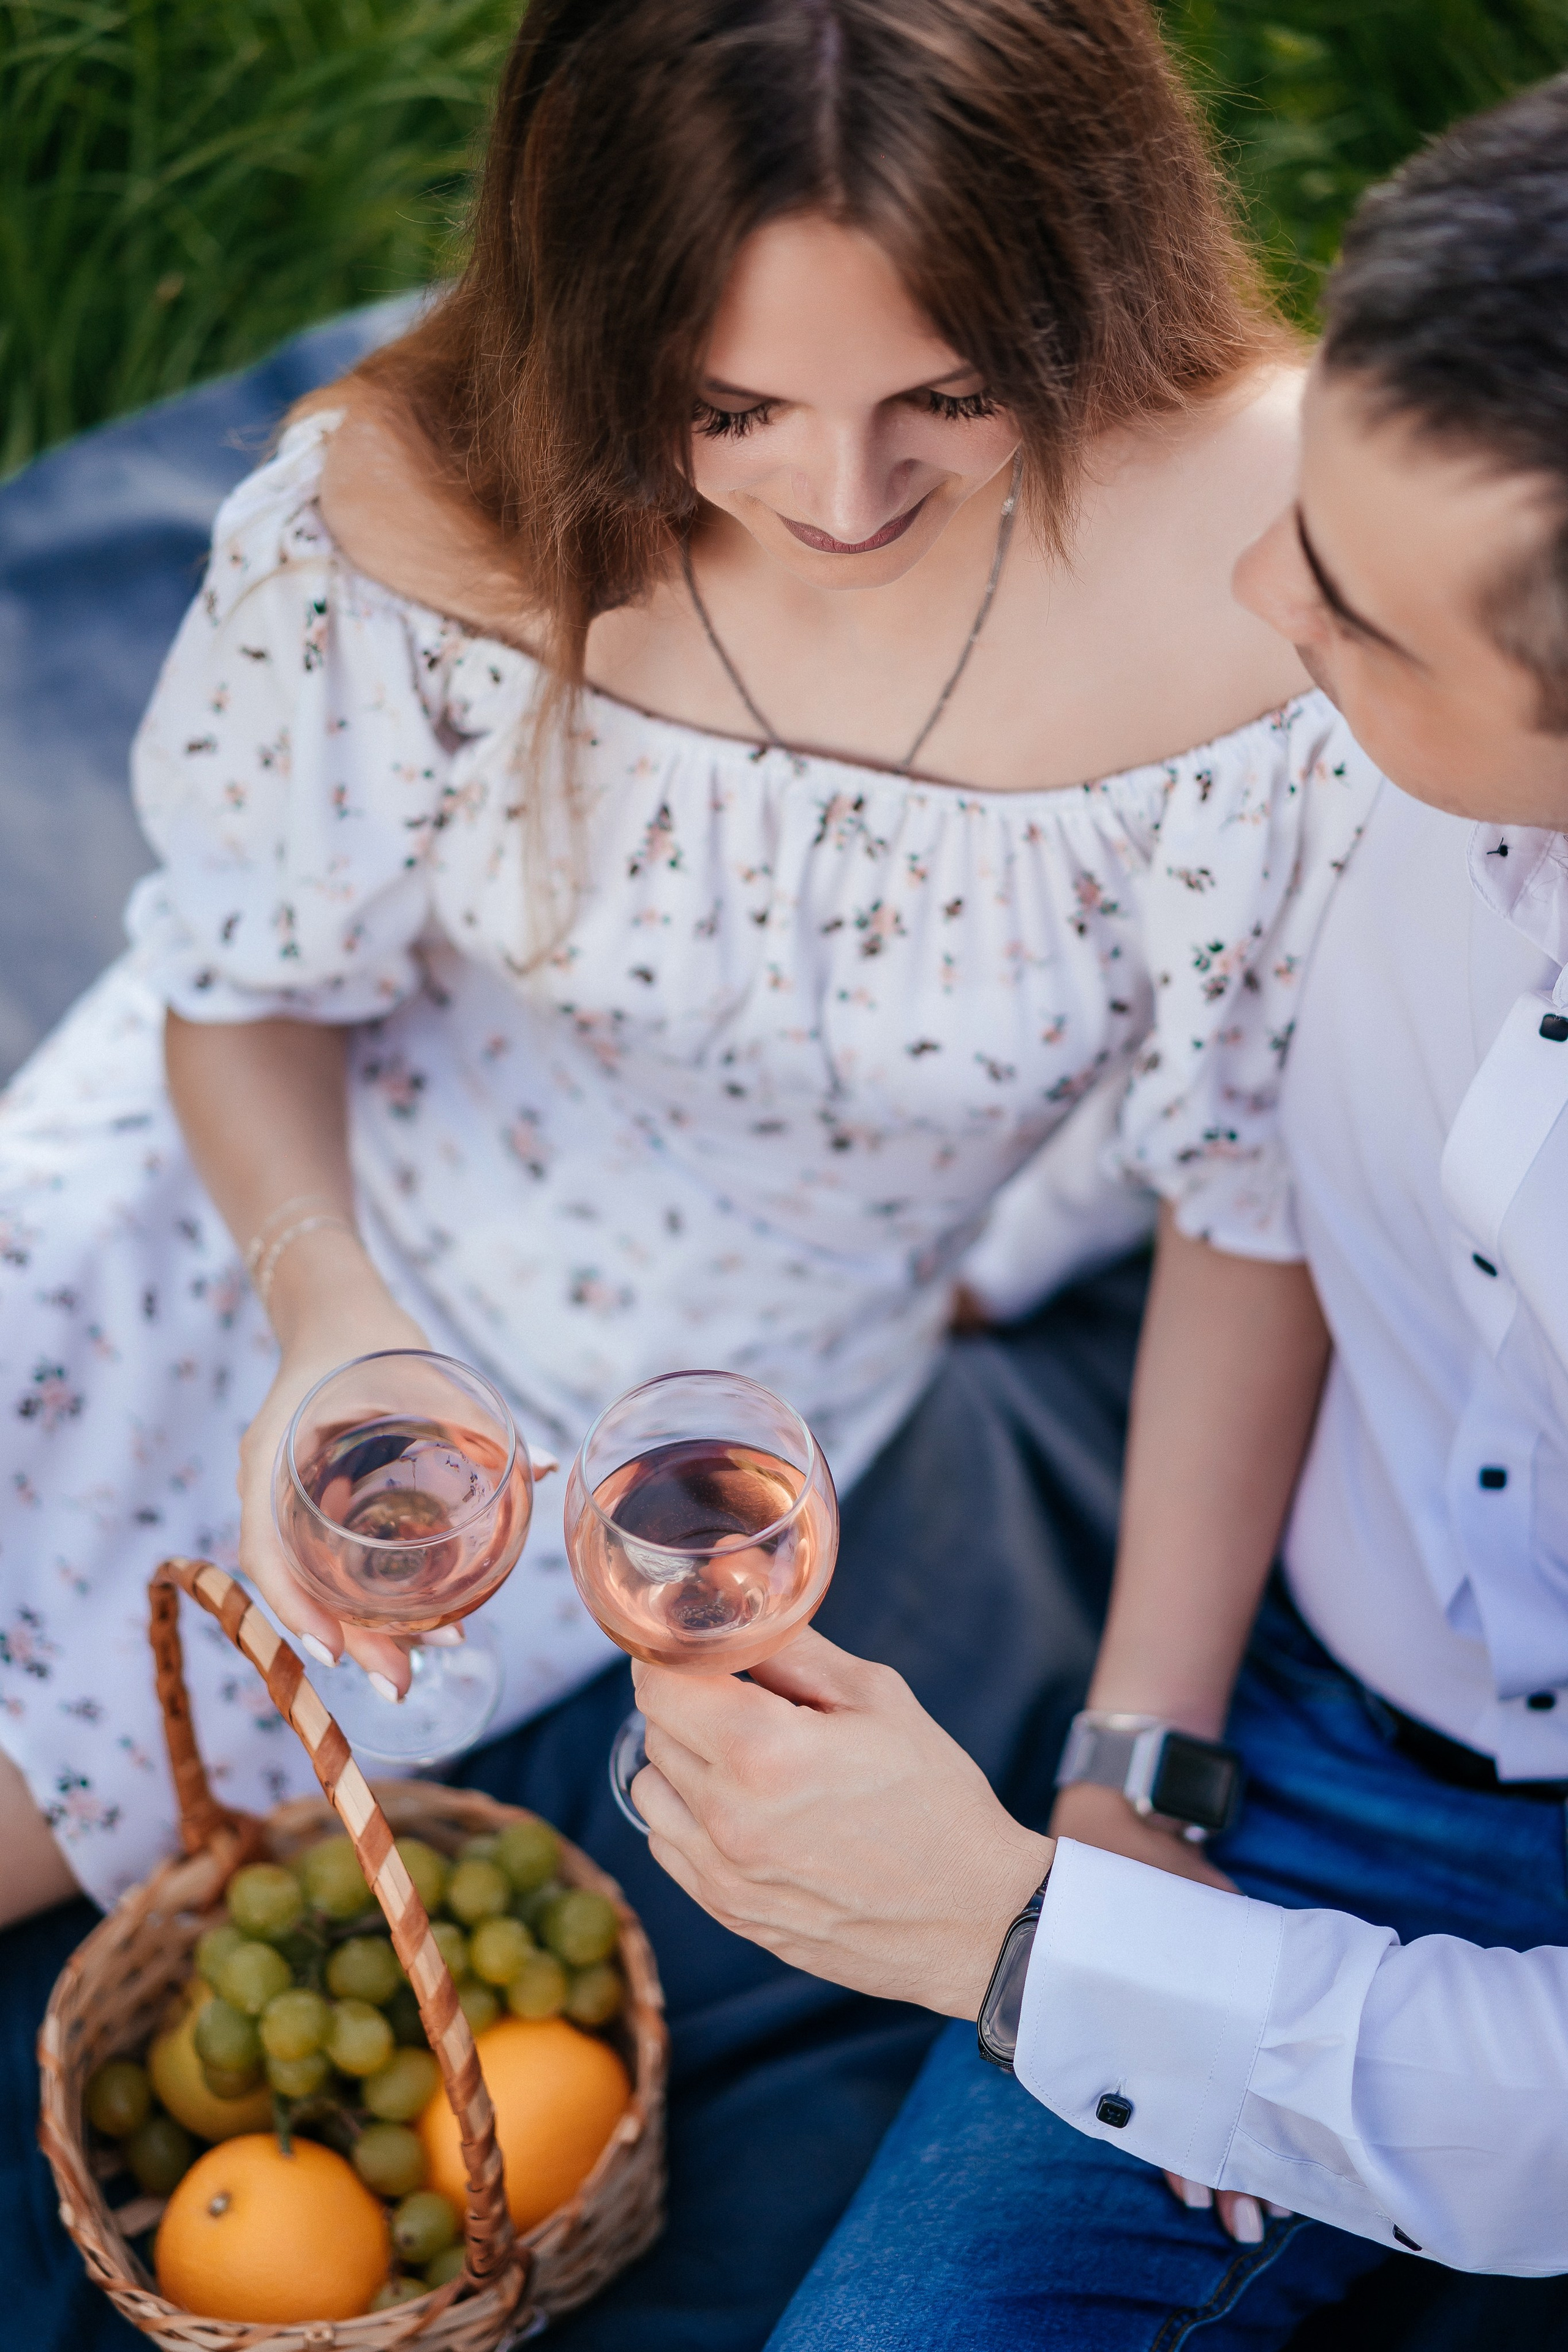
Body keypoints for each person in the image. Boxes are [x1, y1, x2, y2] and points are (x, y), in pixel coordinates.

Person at [0, 4, 1380, 2346]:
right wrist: (326, 1313)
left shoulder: (1270, 569)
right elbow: (242, 983)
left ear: (1093, 282)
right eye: (726, 408)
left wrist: (1141, 1785)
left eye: (946, 392)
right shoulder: (416, 487)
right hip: (277, 1209)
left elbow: (1252, 1213)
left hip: (673, 1384)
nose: (838, 500)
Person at [630, 71, 1568, 2346]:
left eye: (1355, 621)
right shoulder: (1355, 763)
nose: (1262, 604)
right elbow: (1261, 1183)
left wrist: (1021, 1939)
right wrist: (1138, 1783)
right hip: (1312, 1743)